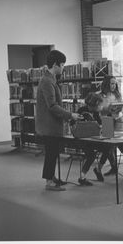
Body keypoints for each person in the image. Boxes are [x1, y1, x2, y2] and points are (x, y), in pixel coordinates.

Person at [35, 50, 80, 191]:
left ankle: (51, 177)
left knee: (52, 153)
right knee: (51, 153)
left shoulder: (50, 79)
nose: (63, 68)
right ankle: (49, 182)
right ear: (55, 65)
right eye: (62, 65)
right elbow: (53, 106)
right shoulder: (47, 81)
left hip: (51, 125)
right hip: (49, 125)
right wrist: (70, 115)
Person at [96, 76, 123, 177]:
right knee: (108, 145)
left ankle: (99, 168)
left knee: (120, 143)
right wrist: (105, 109)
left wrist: (119, 108)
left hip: (118, 120)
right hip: (107, 121)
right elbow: (98, 109)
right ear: (106, 84)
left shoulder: (117, 94)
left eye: (115, 83)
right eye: (111, 83)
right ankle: (117, 167)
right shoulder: (100, 95)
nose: (113, 85)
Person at [76, 92, 115, 185]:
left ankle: (98, 169)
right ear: (94, 104)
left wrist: (104, 125)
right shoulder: (81, 111)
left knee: (108, 147)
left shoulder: (96, 112)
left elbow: (99, 124)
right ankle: (82, 177)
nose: (100, 107)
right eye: (99, 105)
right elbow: (77, 125)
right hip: (82, 140)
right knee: (91, 155)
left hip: (93, 139)